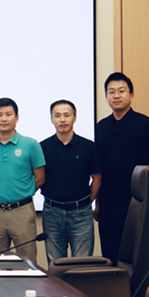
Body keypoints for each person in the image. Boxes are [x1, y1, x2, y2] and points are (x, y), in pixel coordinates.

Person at [95, 72, 149, 265]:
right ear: (106, 96)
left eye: (121, 91)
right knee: (110, 259)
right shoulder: (101, 127)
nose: (116, 95)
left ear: (132, 95)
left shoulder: (147, 125)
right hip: (108, 206)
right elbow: (100, 169)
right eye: (111, 92)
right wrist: (98, 204)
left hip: (138, 204)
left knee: (137, 260)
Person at [0, 97, 45, 263]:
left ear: (17, 117)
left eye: (8, 114)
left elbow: (40, 177)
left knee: (27, 260)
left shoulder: (31, 144)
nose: (3, 119)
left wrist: (22, 193)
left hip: (22, 211)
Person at [40, 99, 101, 262]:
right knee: (55, 264)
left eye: (67, 115)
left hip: (81, 213)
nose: (62, 120)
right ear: (51, 119)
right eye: (57, 115)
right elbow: (38, 177)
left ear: (75, 118)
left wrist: (87, 202)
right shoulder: (43, 147)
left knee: (82, 265)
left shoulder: (88, 146)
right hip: (52, 213)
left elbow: (97, 179)